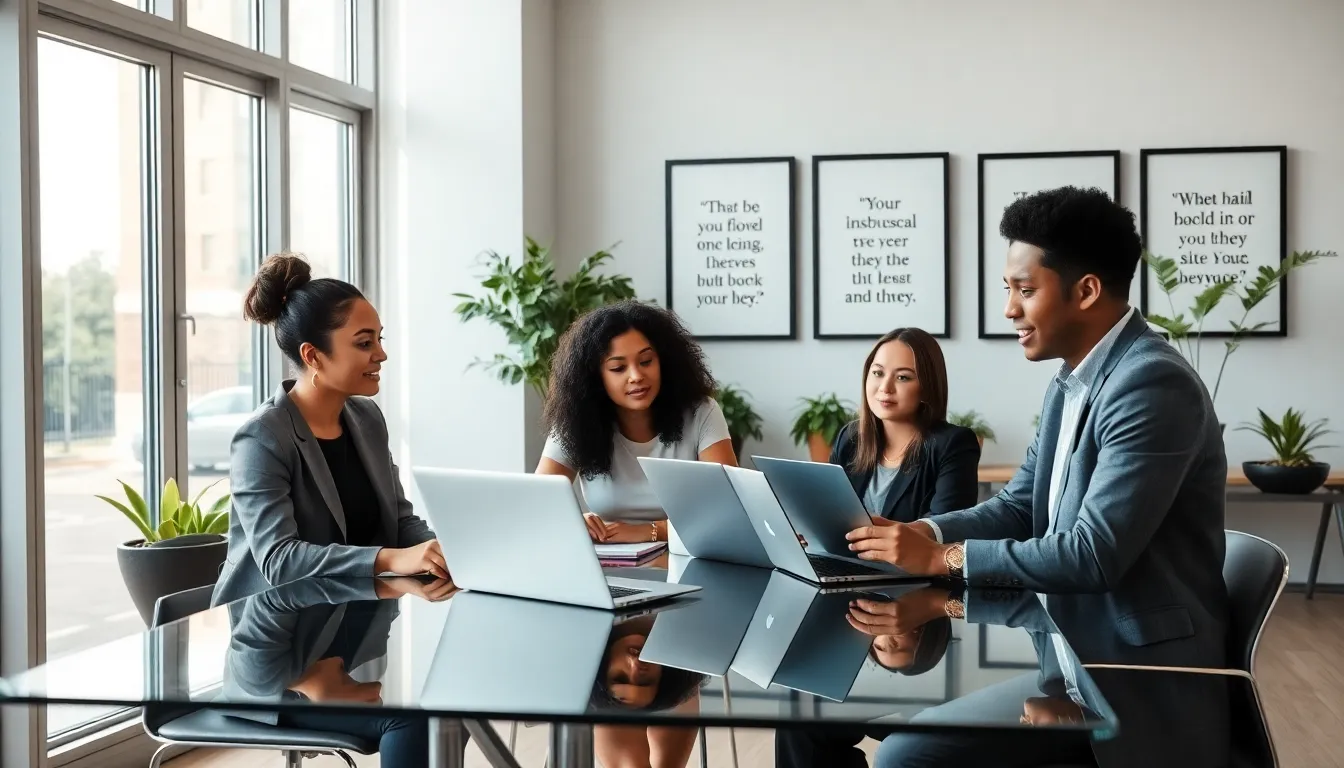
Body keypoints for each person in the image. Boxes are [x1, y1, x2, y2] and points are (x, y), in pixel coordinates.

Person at [841, 186, 1230, 767]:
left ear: (1086, 291)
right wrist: (921, 531)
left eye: (1024, 290)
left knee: (906, 758)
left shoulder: (1152, 385)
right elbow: (1020, 507)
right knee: (886, 741)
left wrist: (942, 558)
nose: (1009, 310)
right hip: (1066, 657)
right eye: (1009, 290)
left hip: (1128, 679)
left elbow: (1092, 555)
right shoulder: (1070, 383)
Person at [213, 252, 449, 607]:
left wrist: (444, 553)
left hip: (353, 613)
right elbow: (279, 560)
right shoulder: (261, 438)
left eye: (380, 339)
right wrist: (390, 559)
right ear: (313, 356)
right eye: (365, 343)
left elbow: (400, 523)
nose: (381, 354)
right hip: (274, 625)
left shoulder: (368, 419)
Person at [537, 300, 736, 543]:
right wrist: (573, 521)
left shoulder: (701, 412)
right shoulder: (575, 419)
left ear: (664, 361)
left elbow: (729, 510)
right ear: (595, 377)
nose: (636, 376)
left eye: (646, 361)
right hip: (607, 560)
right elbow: (539, 501)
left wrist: (651, 531)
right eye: (618, 368)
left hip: (687, 557)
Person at [829, 327, 980, 523]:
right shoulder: (850, 438)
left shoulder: (954, 445)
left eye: (903, 377)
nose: (885, 388)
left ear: (927, 386)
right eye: (878, 373)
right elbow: (827, 509)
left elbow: (946, 528)